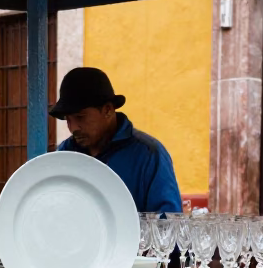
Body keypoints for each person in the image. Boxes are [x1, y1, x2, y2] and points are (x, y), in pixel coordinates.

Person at [50, 67, 182, 214]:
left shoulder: (149, 155)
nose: (73, 127)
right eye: (68, 120)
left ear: (107, 110)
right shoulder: (64, 154)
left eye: (80, 117)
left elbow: (168, 223)